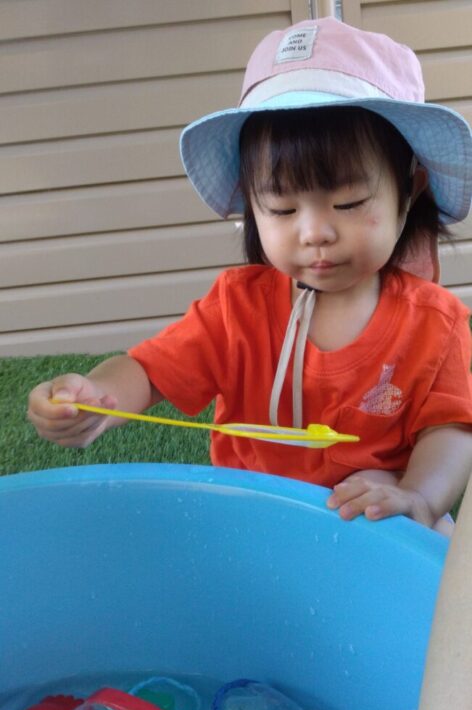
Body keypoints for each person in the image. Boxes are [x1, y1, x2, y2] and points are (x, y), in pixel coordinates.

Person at [28, 17, 472, 534]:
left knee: (444, 549)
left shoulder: (437, 324)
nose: (315, 233)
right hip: (254, 517)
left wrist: (416, 494)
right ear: (252, 206)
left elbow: (450, 428)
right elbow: (148, 372)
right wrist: (96, 397)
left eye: (349, 202)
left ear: (409, 191)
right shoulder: (235, 308)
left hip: (374, 519)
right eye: (282, 209)